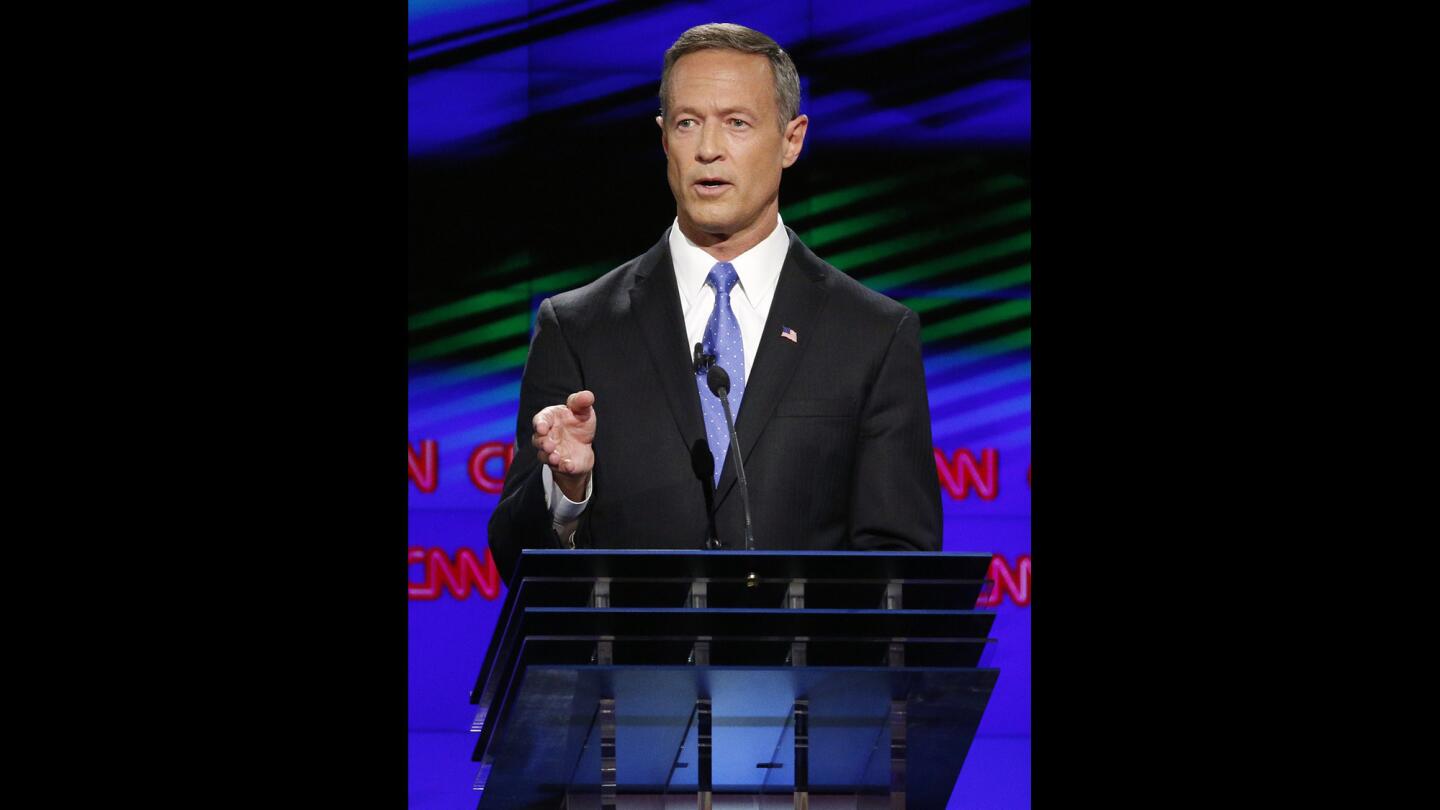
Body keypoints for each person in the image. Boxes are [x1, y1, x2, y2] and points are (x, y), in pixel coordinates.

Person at [487, 23, 940, 584]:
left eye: (737, 123)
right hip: (629, 670)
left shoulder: (872, 334)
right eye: (687, 123)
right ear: (663, 140)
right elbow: (515, 559)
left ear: (792, 140)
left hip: (800, 670)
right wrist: (567, 491)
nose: (707, 149)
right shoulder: (578, 328)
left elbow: (900, 566)